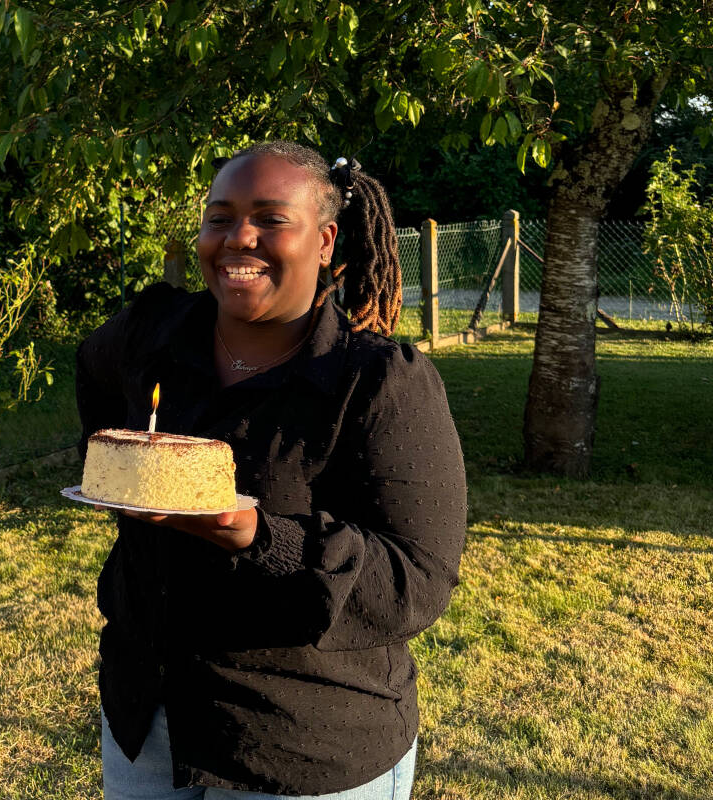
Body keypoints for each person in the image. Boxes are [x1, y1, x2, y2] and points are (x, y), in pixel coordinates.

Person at [75, 141, 467, 799]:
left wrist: (261, 537)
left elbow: (416, 583)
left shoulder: (376, 384)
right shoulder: (154, 335)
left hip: (300, 745)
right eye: (219, 217)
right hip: (148, 723)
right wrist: (115, 463)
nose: (238, 239)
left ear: (324, 239)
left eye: (270, 218)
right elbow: (93, 368)